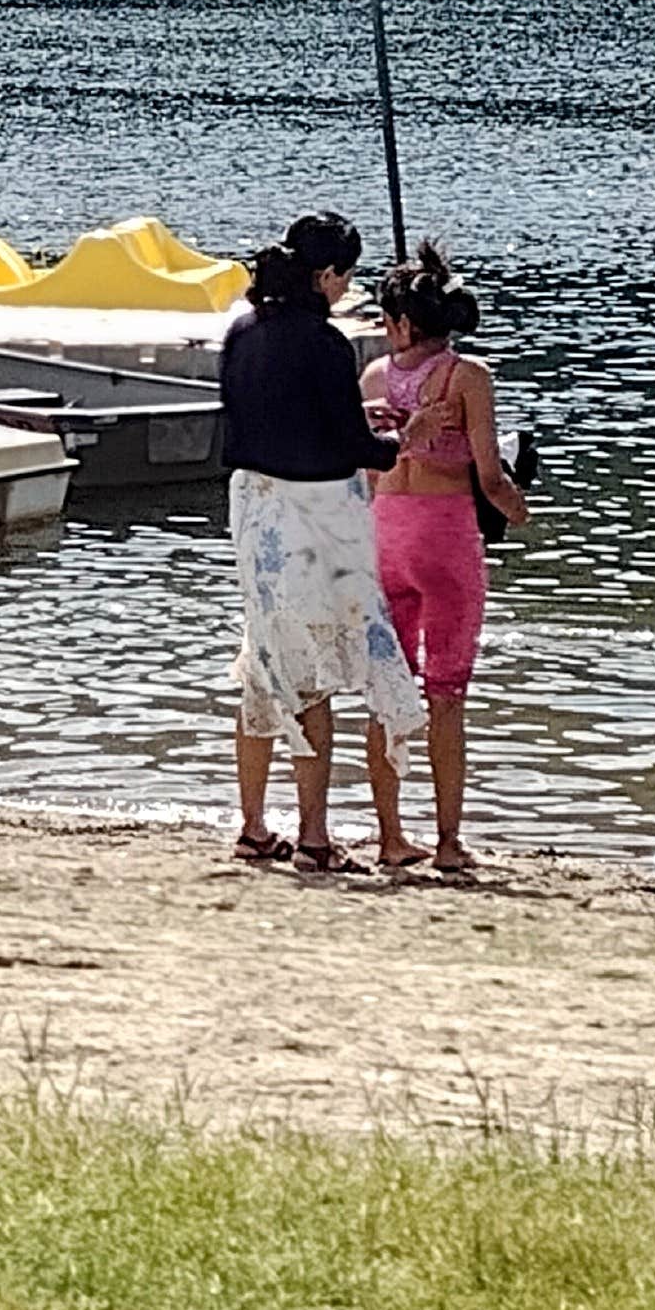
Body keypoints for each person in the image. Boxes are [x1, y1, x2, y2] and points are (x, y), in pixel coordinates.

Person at [221, 211, 422, 873]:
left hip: (254, 509)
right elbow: (351, 447)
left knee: (266, 659)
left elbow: (269, 417)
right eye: (346, 276)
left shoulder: (243, 330)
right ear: (327, 273)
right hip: (313, 515)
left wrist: (353, 421)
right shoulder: (327, 343)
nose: (347, 288)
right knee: (311, 672)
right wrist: (401, 440)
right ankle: (313, 836)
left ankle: (253, 824)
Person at [360, 241, 528, 873]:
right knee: (447, 692)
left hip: (386, 535)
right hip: (446, 535)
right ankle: (449, 841)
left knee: (387, 688)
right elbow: (489, 476)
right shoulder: (467, 377)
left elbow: (367, 471)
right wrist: (517, 510)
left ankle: (389, 833)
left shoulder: (372, 379)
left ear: (401, 322)